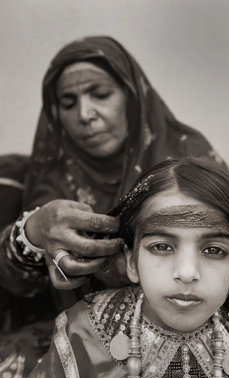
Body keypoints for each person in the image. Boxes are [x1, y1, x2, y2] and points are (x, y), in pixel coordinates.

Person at [26, 157, 229, 378]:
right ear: (131, 262)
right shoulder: (84, 333)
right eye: (162, 246)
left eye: (213, 250)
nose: (187, 273)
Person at [0, 36, 217, 312]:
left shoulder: (187, 155)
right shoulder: (53, 175)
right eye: (68, 103)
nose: (84, 114)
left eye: (100, 95)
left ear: (132, 97)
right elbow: (16, 284)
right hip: (81, 334)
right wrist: (32, 233)